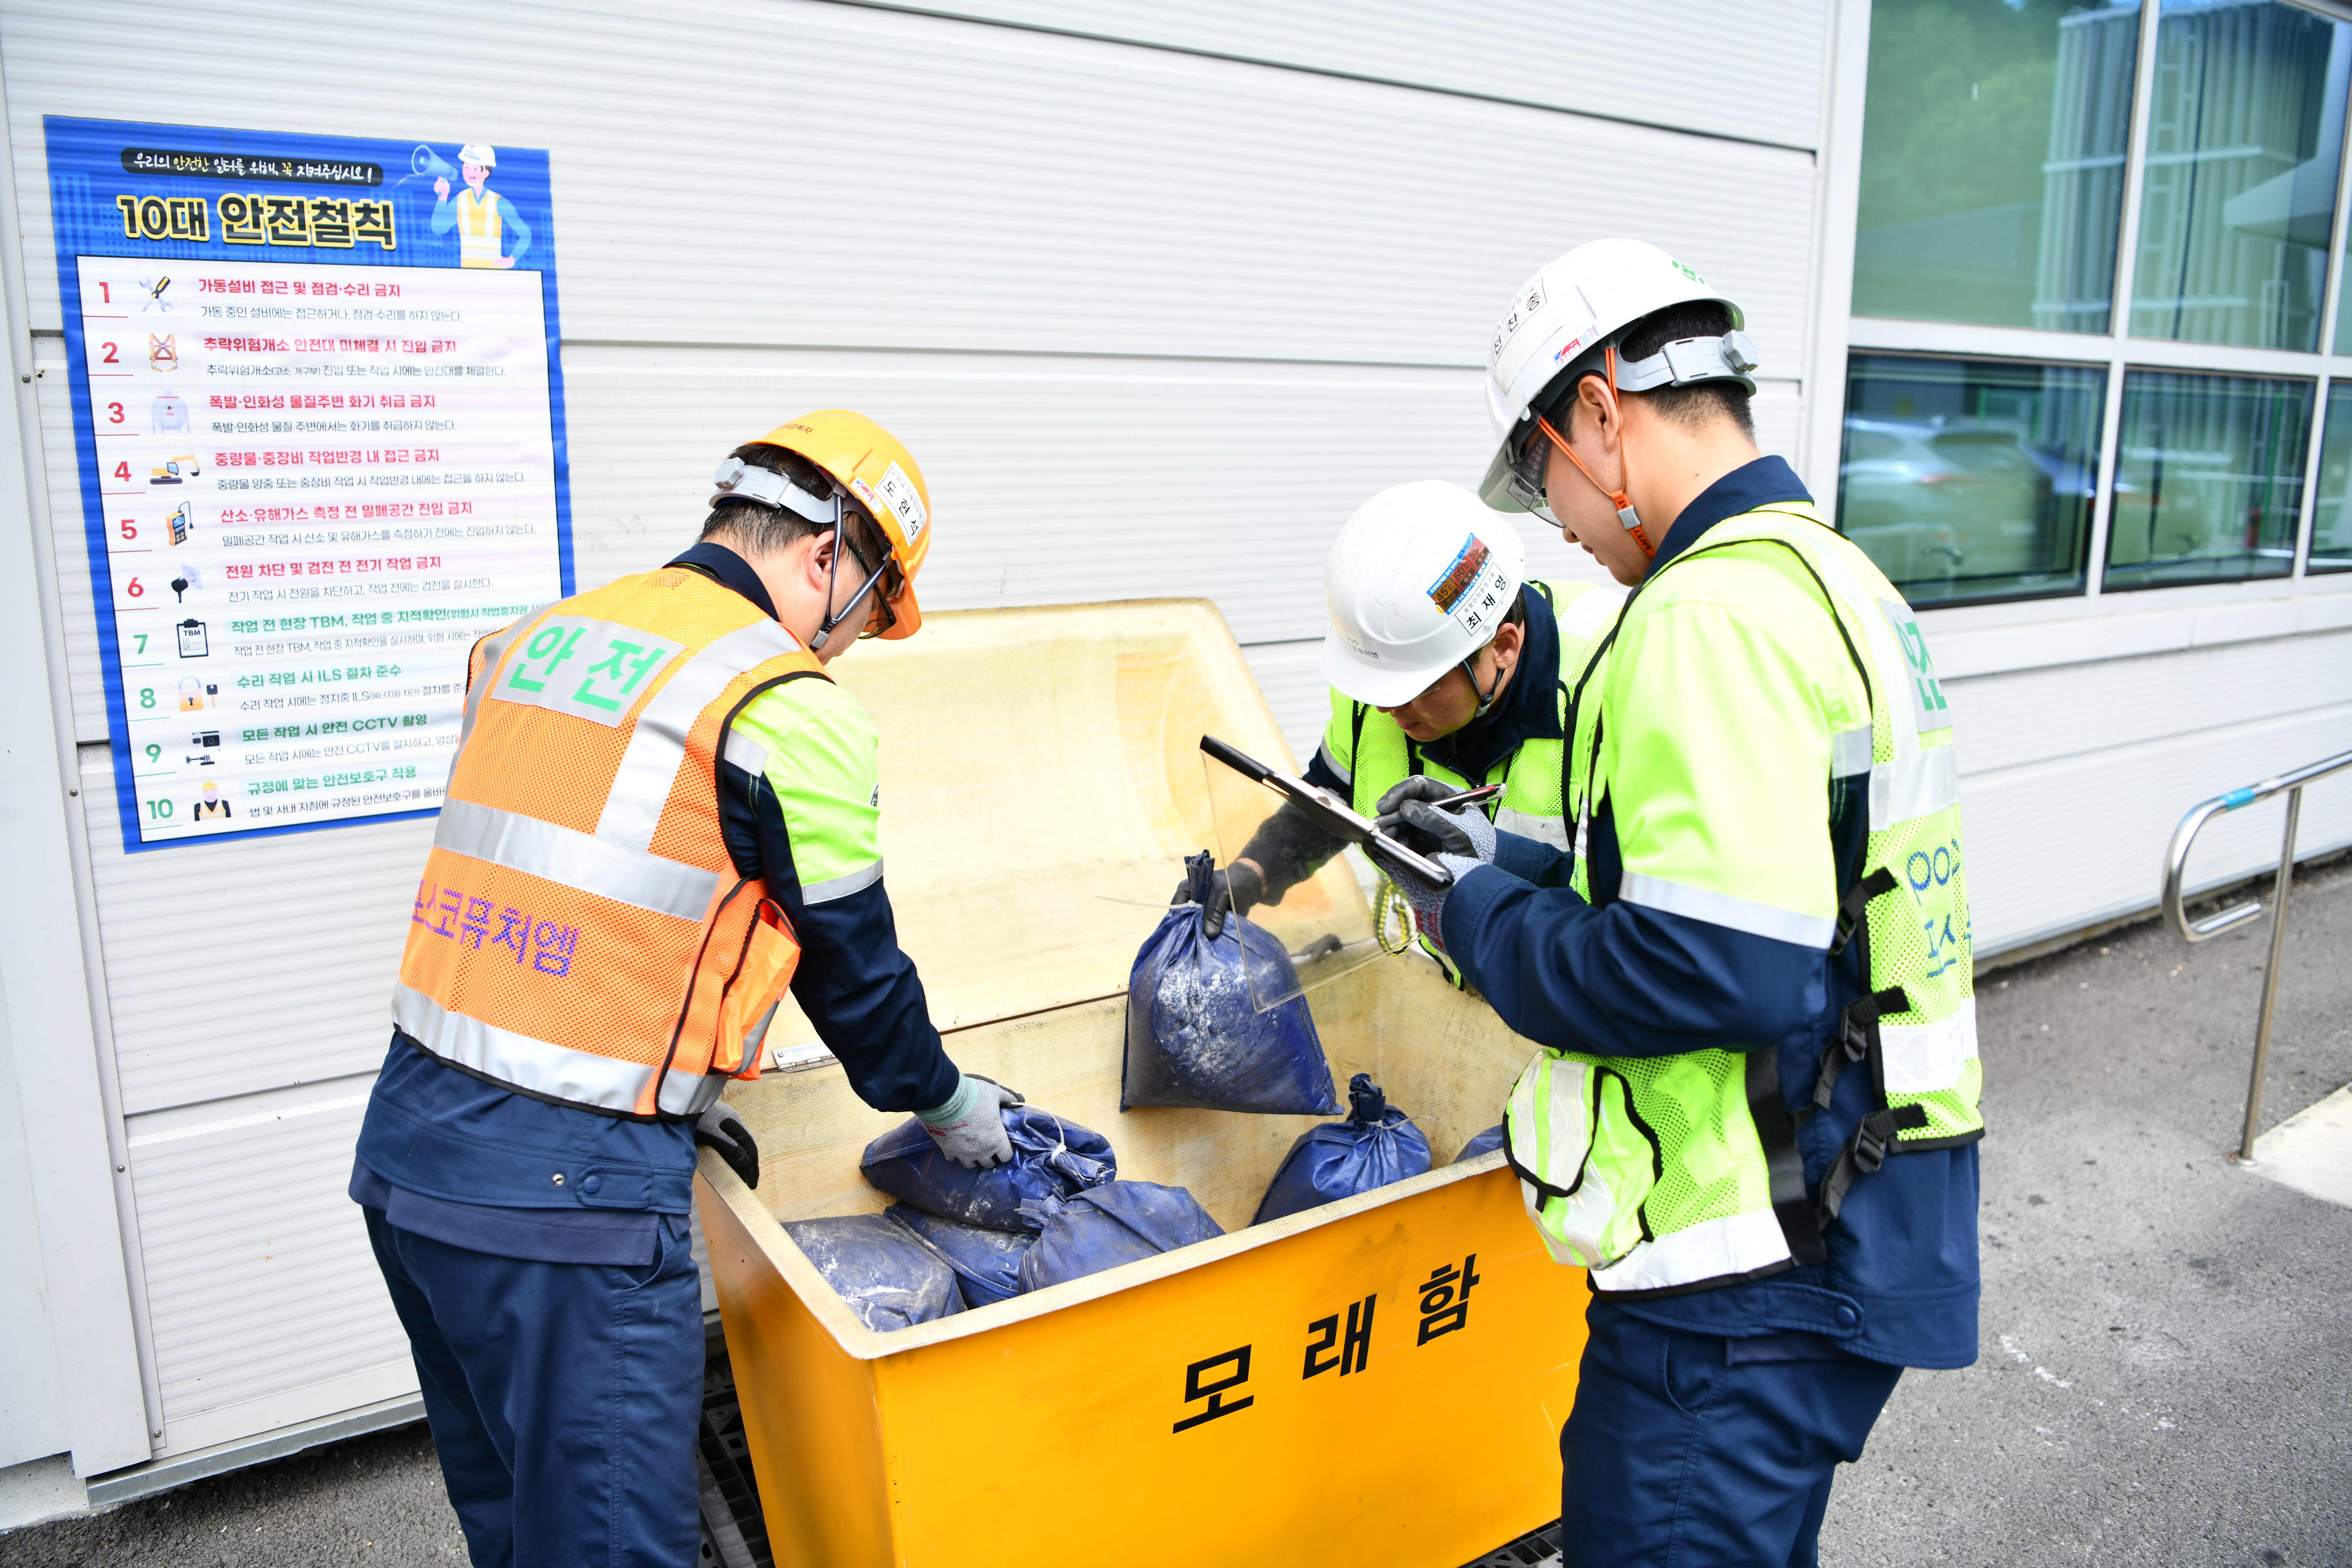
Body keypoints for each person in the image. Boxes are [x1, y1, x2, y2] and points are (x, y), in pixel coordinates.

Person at [1382, 239, 1981, 1566]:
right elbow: (1791, 906)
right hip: (1858, 1210)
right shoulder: (1834, 582)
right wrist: (1511, 872)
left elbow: (1715, 966)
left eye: (1547, 487)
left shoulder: (1700, 616)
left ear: (1601, 412)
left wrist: (1474, 911)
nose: (1566, 536)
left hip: (1739, 1271)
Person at [350, 409, 1022, 1567]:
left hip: (407, 1154)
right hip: (573, 1200)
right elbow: (855, 978)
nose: (849, 644)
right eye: (866, 614)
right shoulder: (785, 707)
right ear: (826, 559)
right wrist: (947, 1099)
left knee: (519, 1527)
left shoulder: (534, 639)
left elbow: (577, 896)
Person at [1190, 479, 1623, 983]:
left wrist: (1497, 854)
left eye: (1418, 687)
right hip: (1447, 995)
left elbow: (1634, 918)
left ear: (1503, 646)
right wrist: (1256, 871)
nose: (1385, 706)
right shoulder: (1377, 677)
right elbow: (1333, 796)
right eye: (1376, 684)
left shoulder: (1618, 680)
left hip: (1567, 1009)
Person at [432, 143, 531, 270]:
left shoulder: (498, 202)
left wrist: (511, 260)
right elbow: (439, 228)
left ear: (485, 172)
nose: (469, 173)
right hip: (468, 273)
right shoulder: (460, 200)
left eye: (474, 169)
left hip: (494, 275)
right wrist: (443, 197)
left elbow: (526, 234)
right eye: (466, 167)